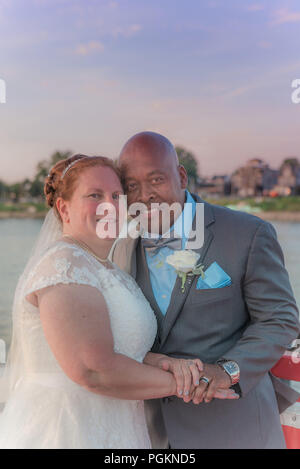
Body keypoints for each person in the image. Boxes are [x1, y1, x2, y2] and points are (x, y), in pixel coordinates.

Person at [0, 154, 237, 449]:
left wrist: (166, 363)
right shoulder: (64, 266)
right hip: (69, 428)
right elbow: (94, 370)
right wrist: (191, 384)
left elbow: (119, 347)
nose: (110, 206)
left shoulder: (107, 267)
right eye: (94, 195)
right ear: (64, 208)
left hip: (120, 425)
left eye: (116, 195)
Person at [111, 131, 300, 449]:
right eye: (131, 186)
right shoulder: (119, 246)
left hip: (235, 429)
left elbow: (280, 319)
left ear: (181, 176)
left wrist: (228, 371)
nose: (145, 195)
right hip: (151, 435)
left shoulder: (248, 234)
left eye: (156, 179)